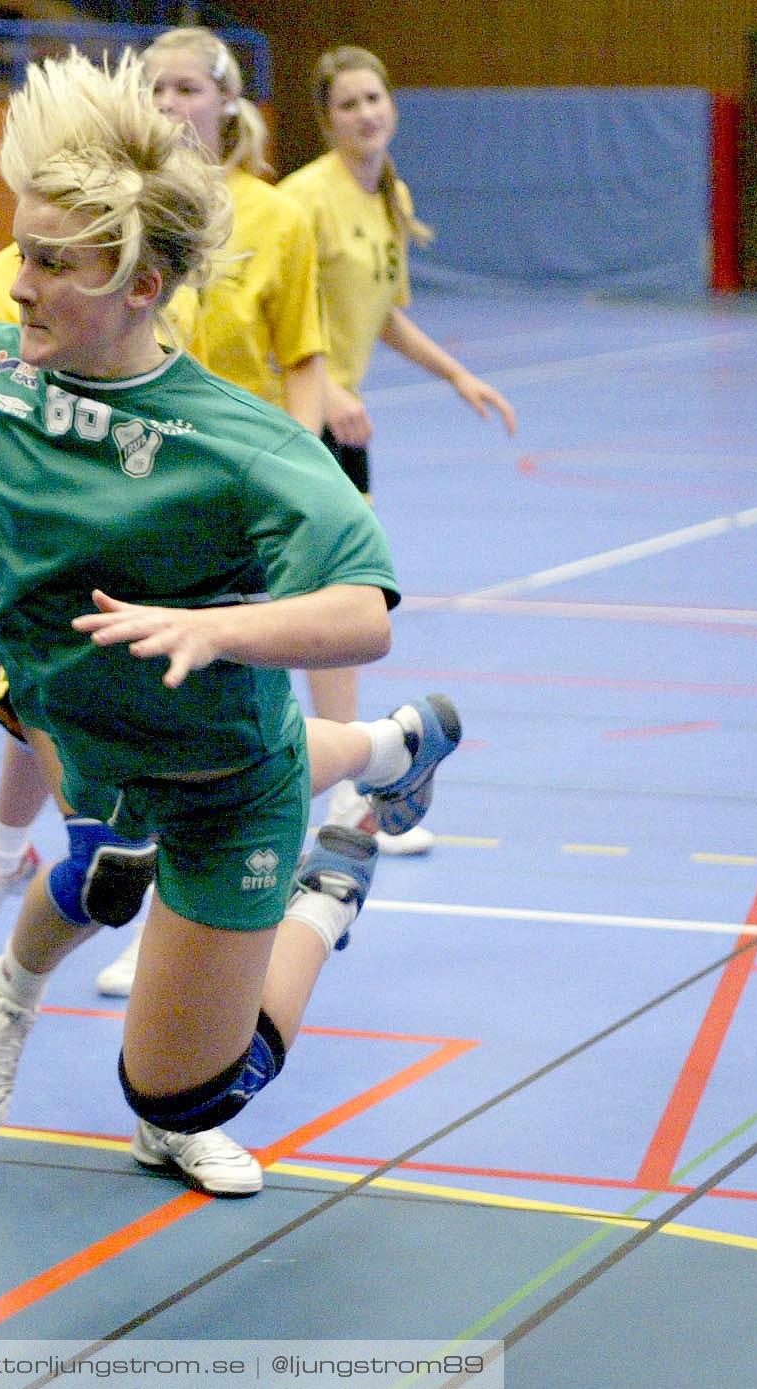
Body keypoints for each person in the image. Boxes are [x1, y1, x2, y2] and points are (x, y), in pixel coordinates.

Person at [0, 50, 462, 1196]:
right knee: (111, 858)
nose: (16, 284)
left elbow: (360, 611)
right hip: (86, 737)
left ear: (138, 286)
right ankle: (384, 755)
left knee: (181, 1099)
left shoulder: (242, 444)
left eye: (48, 263)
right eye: (19, 249)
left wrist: (220, 632)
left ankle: (335, 874)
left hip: (230, 777)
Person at [0, 27, 337, 1002]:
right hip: (53, 600)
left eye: (184, 88)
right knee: (82, 794)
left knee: (220, 760)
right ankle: (2, 877)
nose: (165, 107)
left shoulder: (208, 258)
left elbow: (298, 363)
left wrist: (300, 485)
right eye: (149, 89)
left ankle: (359, 788)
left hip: (202, 563)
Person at [279, 45, 517, 851]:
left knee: (341, 601)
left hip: (336, 425)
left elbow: (382, 312)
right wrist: (328, 388)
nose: (364, 113)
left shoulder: (388, 194)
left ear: (392, 106)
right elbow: (278, 311)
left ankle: (344, 776)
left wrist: (458, 374)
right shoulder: (302, 199)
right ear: (326, 119)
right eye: (346, 104)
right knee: (329, 600)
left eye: (373, 98)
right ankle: (338, 784)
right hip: (295, 420)